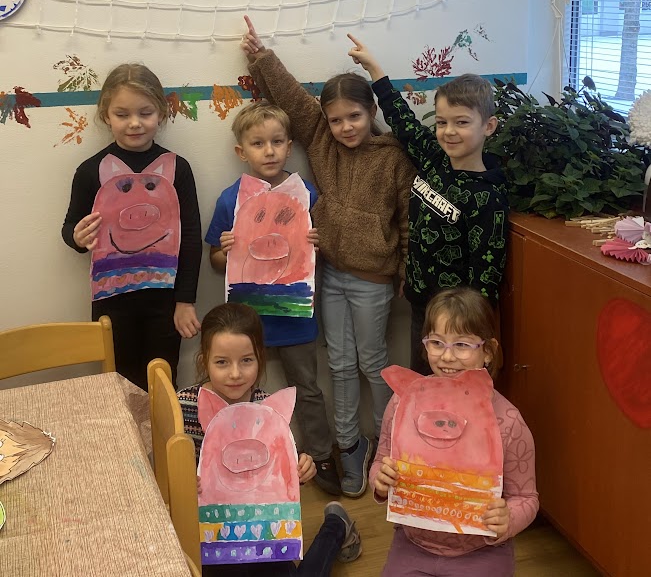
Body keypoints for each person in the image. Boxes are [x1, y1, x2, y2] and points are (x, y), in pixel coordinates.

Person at [241, 16, 416, 497]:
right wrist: (262, 57)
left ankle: (389, 445)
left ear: (370, 111)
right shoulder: (320, 138)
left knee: (373, 363)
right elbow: (292, 97)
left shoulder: (393, 156)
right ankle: (349, 445)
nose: (344, 127)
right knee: (338, 364)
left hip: (374, 279)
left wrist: (403, 268)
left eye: (353, 117)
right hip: (329, 275)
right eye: (336, 119)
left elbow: (407, 218)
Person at [347, 35, 509, 375]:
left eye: (462, 122)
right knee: (421, 386)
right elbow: (401, 119)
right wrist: (374, 69)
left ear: (488, 126)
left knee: (452, 392)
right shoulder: (434, 159)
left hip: (458, 326)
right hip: (421, 307)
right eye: (442, 122)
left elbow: (485, 279)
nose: (449, 131)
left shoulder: (488, 198)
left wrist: (467, 336)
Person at [204, 101, 341, 496]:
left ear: (289, 146)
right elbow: (214, 262)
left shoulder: (306, 194)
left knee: (307, 388)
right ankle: (242, 456)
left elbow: (321, 255)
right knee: (241, 390)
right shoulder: (231, 200)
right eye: (258, 143)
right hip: (248, 323)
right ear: (241, 151)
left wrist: (318, 242)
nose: (269, 151)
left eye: (277, 142)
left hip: (296, 315)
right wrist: (225, 250)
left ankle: (321, 454)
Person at [177, 303, 362, 576]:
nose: (235, 373)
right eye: (222, 362)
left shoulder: (268, 409)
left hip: (264, 530)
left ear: (260, 359)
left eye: (246, 360)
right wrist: (182, 482)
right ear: (205, 361)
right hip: (209, 533)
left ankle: (335, 527)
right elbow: (166, 477)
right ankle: (335, 526)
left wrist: (301, 470)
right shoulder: (184, 406)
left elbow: (280, 471)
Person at [370, 287, 538, 577]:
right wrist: (381, 481)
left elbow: (527, 497)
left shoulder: (507, 421)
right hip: (414, 544)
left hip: (482, 551)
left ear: (488, 351)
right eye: (437, 342)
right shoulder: (403, 403)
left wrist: (508, 518)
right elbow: (379, 462)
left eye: (462, 345)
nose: (447, 356)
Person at [61, 63, 202, 390]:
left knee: (162, 382)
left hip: (164, 301)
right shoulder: (90, 171)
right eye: (122, 114)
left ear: (161, 113)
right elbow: (70, 227)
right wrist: (76, 237)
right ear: (106, 115)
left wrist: (185, 301)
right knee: (118, 384)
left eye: (145, 113)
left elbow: (191, 238)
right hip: (111, 302)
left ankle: (161, 427)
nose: (135, 123)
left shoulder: (178, 169)